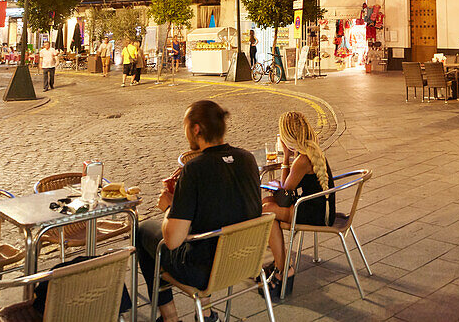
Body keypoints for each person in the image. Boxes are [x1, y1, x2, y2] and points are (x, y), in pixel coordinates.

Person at [137, 100, 260, 322]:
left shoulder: (194, 169)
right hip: (245, 261)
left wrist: (169, 207)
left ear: (196, 129)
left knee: (145, 232)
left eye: (185, 126)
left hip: (204, 270)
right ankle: (206, 311)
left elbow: (173, 240)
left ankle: (170, 317)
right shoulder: (248, 159)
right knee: (208, 230)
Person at [261, 111, 334, 296]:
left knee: (266, 212)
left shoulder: (302, 160)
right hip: (320, 207)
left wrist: (285, 156)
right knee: (266, 204)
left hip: (315, 213)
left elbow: (285, 194)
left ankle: (283, 268)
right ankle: (280, 265)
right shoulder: (311, 151)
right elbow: (286, 193)